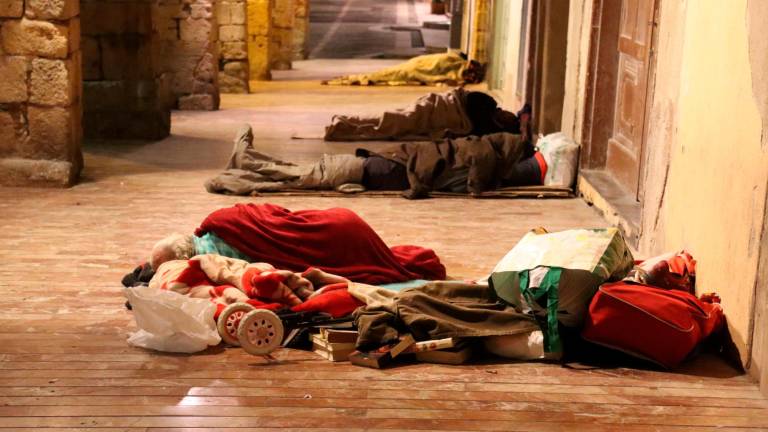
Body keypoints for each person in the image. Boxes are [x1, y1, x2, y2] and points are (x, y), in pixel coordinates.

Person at [205, 125, 546, 199]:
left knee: (299, 173)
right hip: (365, 169)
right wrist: (419, 189)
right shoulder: (483, 154)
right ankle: (245, 161)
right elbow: (473, 185)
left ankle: (245, 161)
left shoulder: (478, 145)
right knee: (300, 176)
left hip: (371, 165)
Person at [148, 203, 446, 285]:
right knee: (386, 260)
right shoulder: (220, 219)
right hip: (334, 221)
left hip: (337, 243)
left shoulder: (210, 269)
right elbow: (274, 215)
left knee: (385, 266)